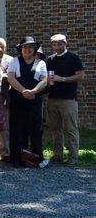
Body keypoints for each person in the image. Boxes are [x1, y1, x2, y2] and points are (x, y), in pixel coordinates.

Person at [7, 37, 48, 168]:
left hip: (35, 101)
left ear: (34, 49)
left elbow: (44, 80)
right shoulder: (14, 61)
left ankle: (36, 159)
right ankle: (17, 159)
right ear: (21, 49)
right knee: (18, 129)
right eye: (25, 47)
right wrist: (24, 91)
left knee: (36, 130)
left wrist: (33, 91)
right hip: (18, 101)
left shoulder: (40, 63)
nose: (27, 49)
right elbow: (11, 78)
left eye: (30, 47)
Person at [46, 34, 85, 166]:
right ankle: (58, 156)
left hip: (68, 100)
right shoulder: (50, 59)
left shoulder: (73, 57)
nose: (57, 46)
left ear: (65, 43)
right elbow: (48, 78)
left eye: (59, 44)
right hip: (52, 99)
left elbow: (80, 76)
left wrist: (62, 79)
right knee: (56, 130)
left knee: (71, 130)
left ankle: (73, 158)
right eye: (54, 44)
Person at [0, 37, 14, 163]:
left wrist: (2, 76)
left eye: (2, 46)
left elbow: (12, 76)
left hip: (5, 97)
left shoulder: (10, 60)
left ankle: (5, 153)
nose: (0, 48)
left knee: (4, 127)